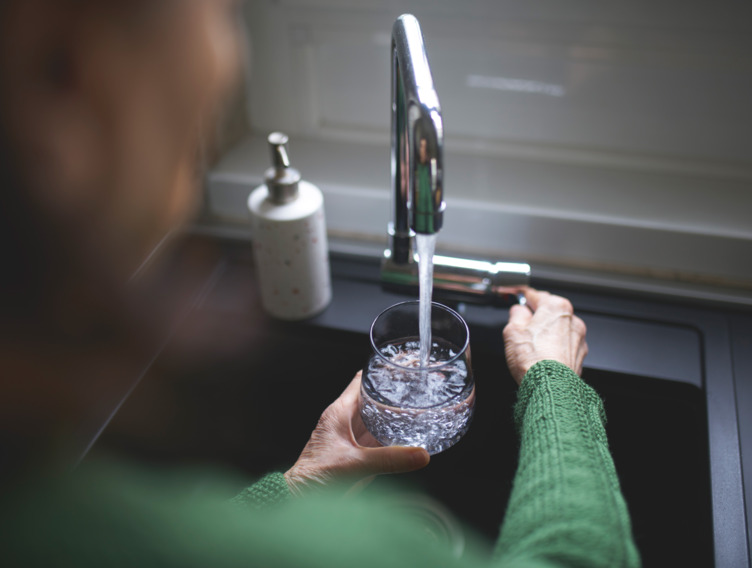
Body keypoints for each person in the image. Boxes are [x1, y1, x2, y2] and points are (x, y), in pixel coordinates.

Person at [0, 1, 640, 567]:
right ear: (69, 73)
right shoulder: (350, 549)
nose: (227, 58)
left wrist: (298, 484)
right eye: (223, 12)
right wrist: (556, 385)